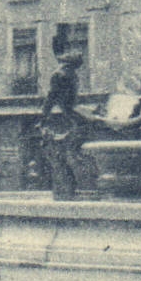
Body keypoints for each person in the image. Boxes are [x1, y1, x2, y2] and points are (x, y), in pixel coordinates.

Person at [39, 31, 85, 201]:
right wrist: (45, 115)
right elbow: (53, 96)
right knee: (65, 155)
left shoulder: (62, 73)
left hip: (67, 113)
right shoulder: (66, 74)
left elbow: (51, 97)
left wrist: (43, 115)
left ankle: (65, 191)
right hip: (69, 113)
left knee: (61, 157)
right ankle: (69, 190)